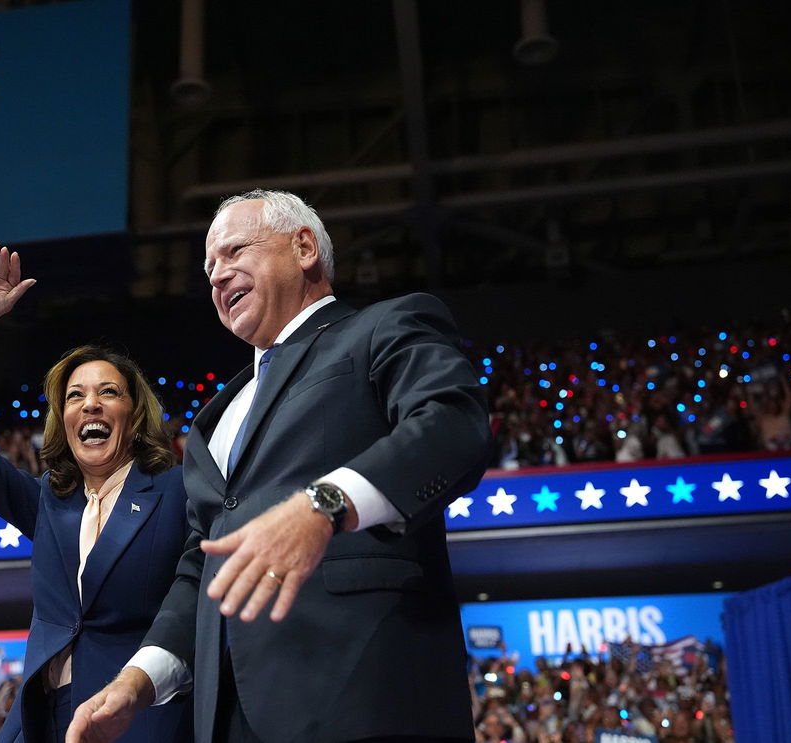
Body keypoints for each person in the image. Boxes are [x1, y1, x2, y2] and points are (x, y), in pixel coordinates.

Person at [68, 190, 492, 743]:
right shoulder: (211, 421)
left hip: (361, 699)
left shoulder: (382, 328)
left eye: (235, 251)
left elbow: (453, 425)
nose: (217, 276)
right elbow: (203, 566)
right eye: (208, 267)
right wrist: (138, 680)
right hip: (227, 717)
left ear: (304, 247)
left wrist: (323, 506)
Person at [0, 245, 192, 743]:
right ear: (63, 419)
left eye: (109, 392)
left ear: (135, 415)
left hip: (134, 720)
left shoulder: (177, 491)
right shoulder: (48, 502)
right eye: (75, 395)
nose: (90, 404)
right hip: (40, 719)